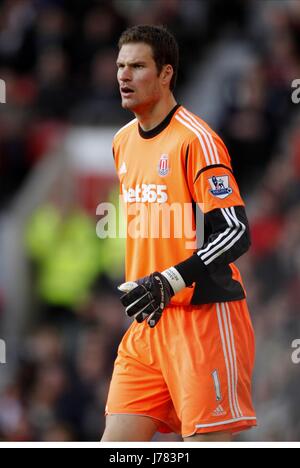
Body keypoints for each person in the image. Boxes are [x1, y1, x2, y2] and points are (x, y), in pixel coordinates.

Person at [101, 25, 256, 442]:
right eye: (120, 66)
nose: (123, 76)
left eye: (136, 66)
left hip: (203, 319)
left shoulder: (197, 140)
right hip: (147, 324)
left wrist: (170, 278)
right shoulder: (121, 142)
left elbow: (236, 231)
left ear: (166, 73)